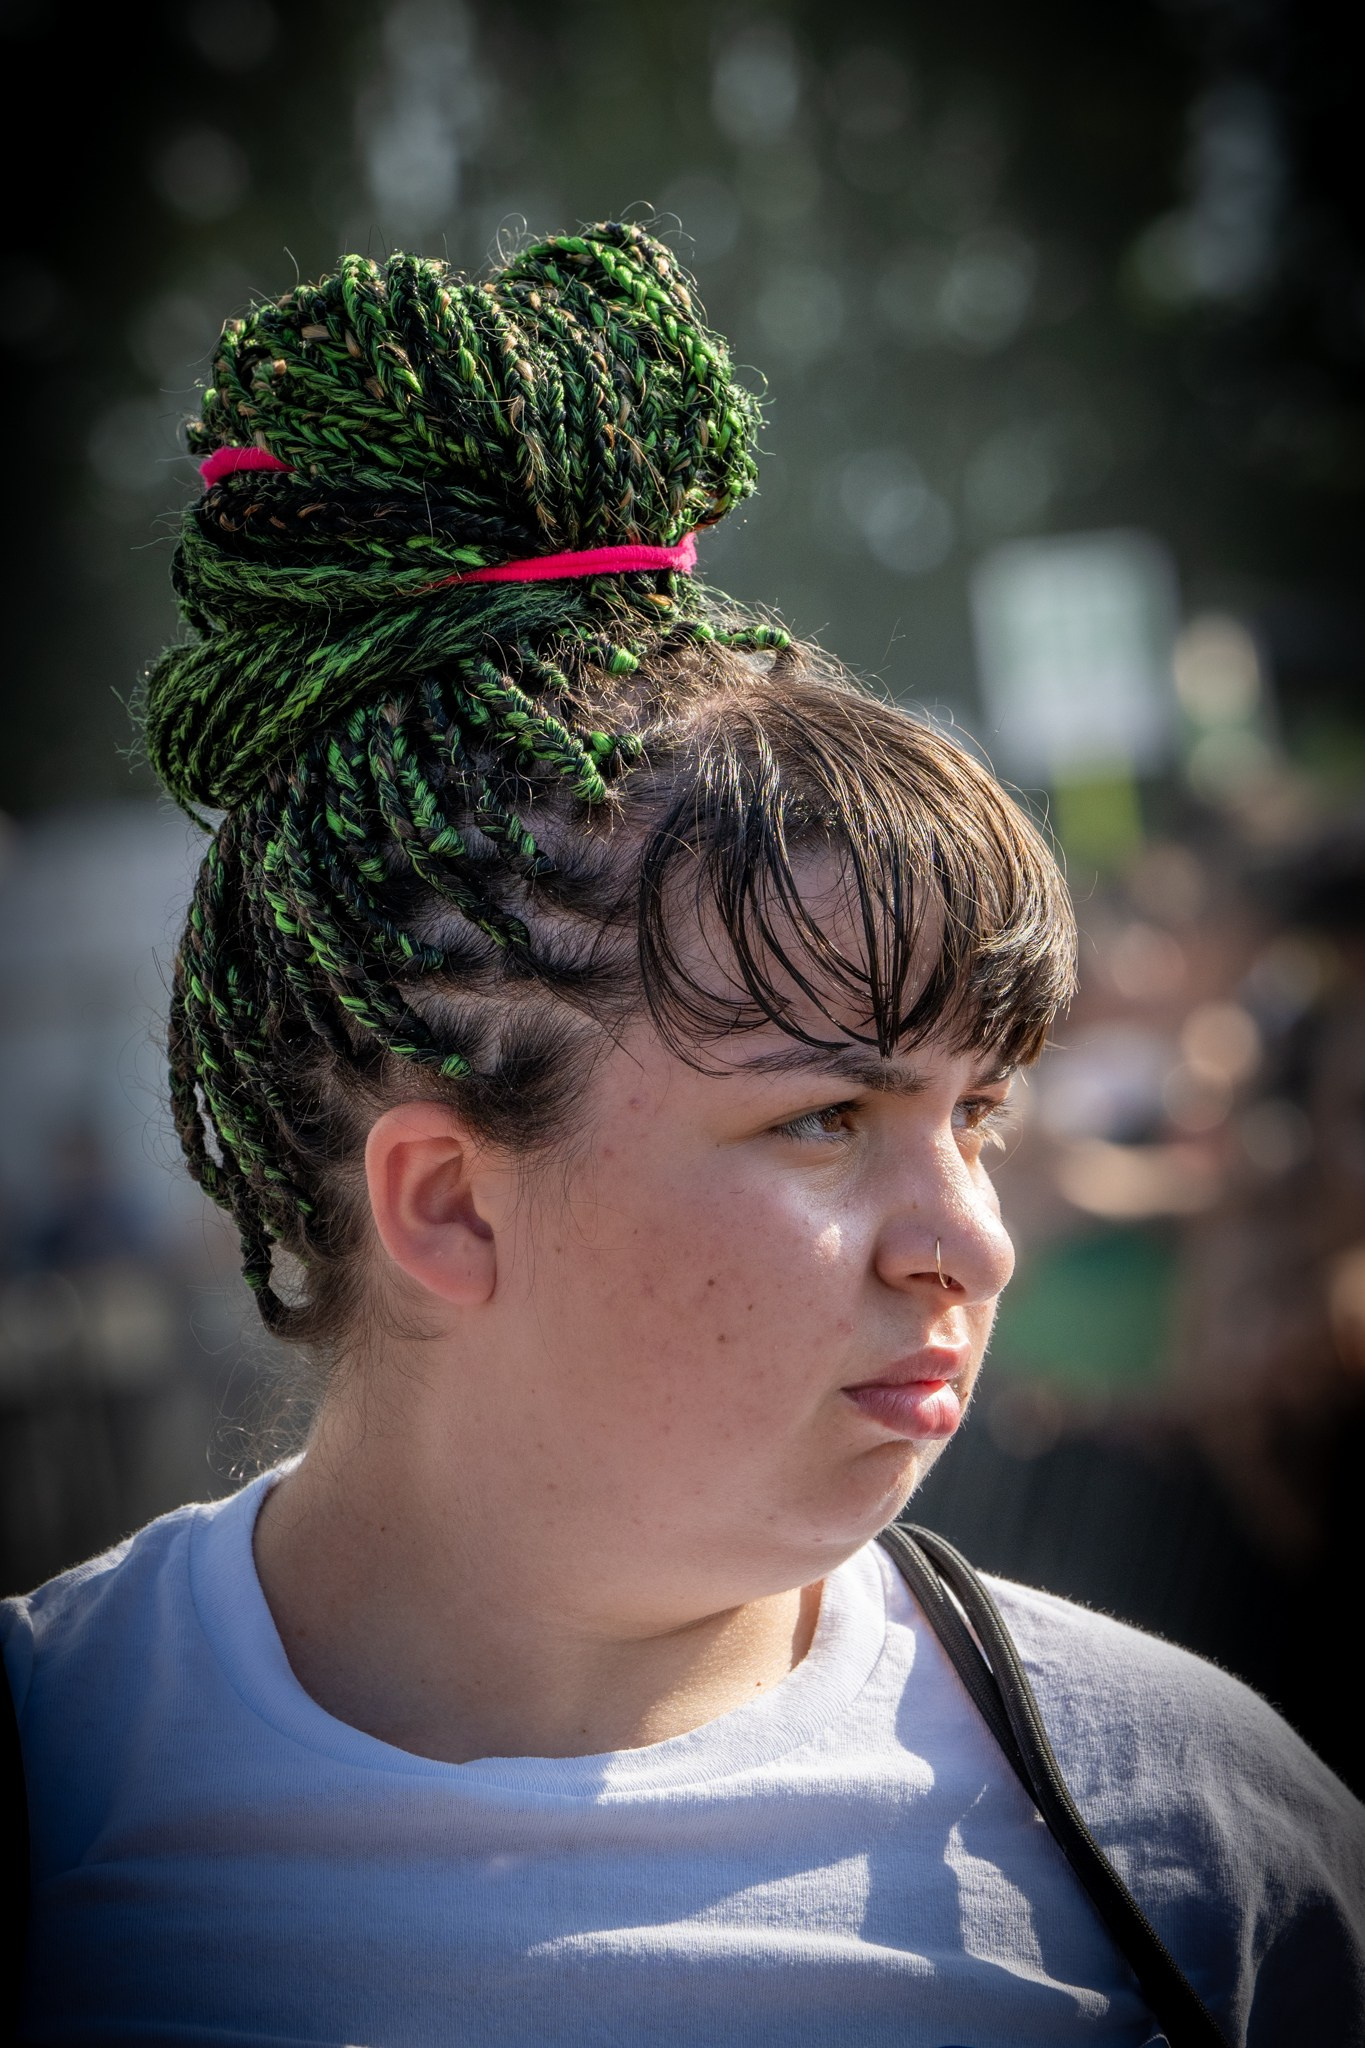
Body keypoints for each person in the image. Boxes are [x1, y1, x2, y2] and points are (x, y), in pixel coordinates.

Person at [2, 222, 1361, 2047]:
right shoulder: (59, 1793)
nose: (969, 1239)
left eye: (976, 1112)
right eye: (824, 1118)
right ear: (446, 1204)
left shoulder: (1188, 1847)